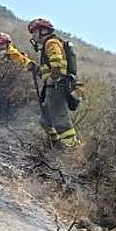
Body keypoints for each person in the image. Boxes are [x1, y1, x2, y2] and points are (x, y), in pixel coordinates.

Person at [28, 18, 80, 148]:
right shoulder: (49, 44)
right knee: (45, 120)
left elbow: (56, 60)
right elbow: (49, 68)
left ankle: (72, 149)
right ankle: (57, 146)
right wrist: (37, 70)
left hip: (57, 86)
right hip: (53, 86)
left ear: (43, 31)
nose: (33, 36)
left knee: (61, 122)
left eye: (34, 32)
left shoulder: (51, 43)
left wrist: (54, 78)